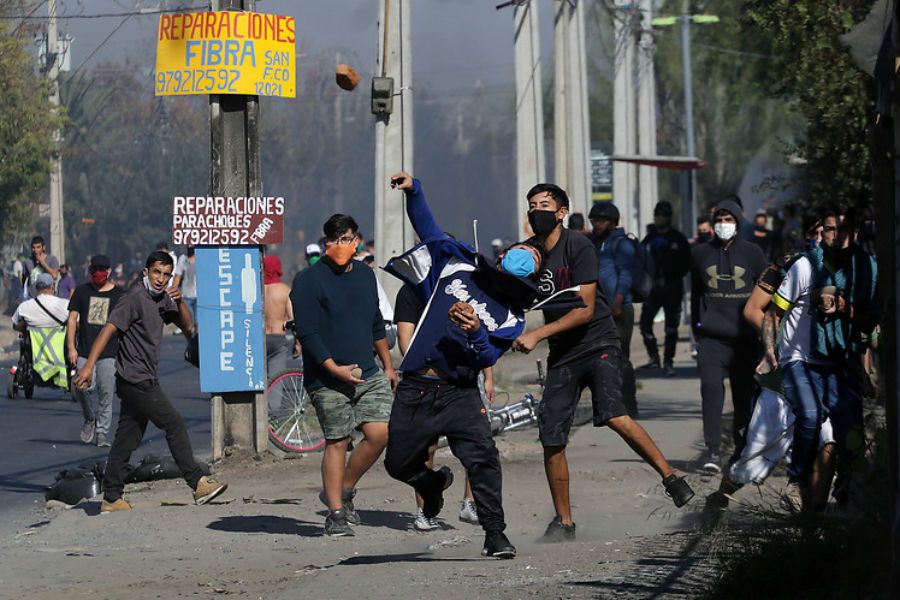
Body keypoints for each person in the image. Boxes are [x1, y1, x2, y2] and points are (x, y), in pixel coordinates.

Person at [511, 183, 694, 542]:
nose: (536, 211)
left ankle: (671, 476)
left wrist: (537, 334)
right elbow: (509, 289)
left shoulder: (580, 246)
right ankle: (564, 522)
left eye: (544, 205)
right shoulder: (529, 254)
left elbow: (584, 308)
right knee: (551, 435)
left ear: (562, 212)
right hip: (563, 354)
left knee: (614, 414)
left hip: (597, 344)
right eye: (531, 205)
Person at [384, 172, 534, 558]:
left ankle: (495, 534)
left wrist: (475, 331)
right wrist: (415, 189)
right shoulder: (455, 263)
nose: (525, 256)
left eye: (534, 258)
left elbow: (487, 358)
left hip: (459, 392)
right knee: (397, 464)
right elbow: (427, 228)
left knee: (484, 459)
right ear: (502, 255)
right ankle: (431, 485)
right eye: (523, 250)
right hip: (416, 385)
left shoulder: (511, 317)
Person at [73, 251, 228, 512]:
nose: (161, 279)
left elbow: (188, 326)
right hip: (136, 379)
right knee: (174, 423)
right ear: (146, 272)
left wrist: (179, 303)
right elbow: (109, 328)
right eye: (156, 272)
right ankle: (198, 483)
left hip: (142, 376)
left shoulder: (162, 299)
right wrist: (88, 366)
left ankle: (111, 497)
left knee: (126, 439)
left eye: (166, 274)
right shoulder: (134, 299)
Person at [764, 207, 877, 510]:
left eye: (842, 229)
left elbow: (869, 324)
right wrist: (770, 350)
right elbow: (772, 313)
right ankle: (797, 481)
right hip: (799, 359)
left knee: (850, 433)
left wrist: (844, 308)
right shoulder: (804, 267)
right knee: (811, 418)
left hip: (840, 361)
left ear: (854, 232)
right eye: (829, 229)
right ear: (820, 233)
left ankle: (848, 494)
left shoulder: (865, 268)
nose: (836, 236)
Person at [291, 214, 397, 537]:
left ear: (356, 241)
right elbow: (307, 333)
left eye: (345, 239)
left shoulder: (365, 275)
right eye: (333, 240)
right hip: (327, 377)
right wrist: (333, 367)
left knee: (381, 433)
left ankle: (344, 488)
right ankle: (335, 513)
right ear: (326, 243)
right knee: (337, 440)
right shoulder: (309, 280)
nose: (339, 245)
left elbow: (376, 323)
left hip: (367, 370)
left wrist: (388, 365)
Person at [393, 281, 493, 532]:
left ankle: (471, 502)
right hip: (425, 382)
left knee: (476, 444)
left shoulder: (466, 289)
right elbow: (405, 341)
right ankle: (426, 510)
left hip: (464, 381)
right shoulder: (411, 291)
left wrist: (488, 376)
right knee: (425, 449)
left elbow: (482, 336)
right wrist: (420, 372)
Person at [691, 199, 768, 474]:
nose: (724, 224)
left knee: (743, 396)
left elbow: (765, 295)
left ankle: (741, 449)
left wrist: (765, 338)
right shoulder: (699, 254)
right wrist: (696, 332)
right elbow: (696, 295)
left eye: (729, 219)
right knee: (711, 391)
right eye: (720, 219)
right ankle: (712, 451)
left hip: (745, 340)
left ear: (738, 222)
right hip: (711, 340)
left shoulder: (753, 253)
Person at [66, 254, 125, 447]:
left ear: (108, 271)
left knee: (106, 392)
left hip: (109, 353)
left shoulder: (119, 295)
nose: (98, 273)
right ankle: (90, 418)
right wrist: (71, 348)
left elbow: (126, 323)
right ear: (90, 271)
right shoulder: (82, 292)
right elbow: (72, 320)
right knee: (81, 387)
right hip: (84, 351)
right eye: (95, 269)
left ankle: (101, 434)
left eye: (102, 269)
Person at [588, 201, 637, 417]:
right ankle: (610, 403)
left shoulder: (621, 243)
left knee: (621, 358)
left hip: (619, 309)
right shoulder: (598, 243)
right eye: (594, 221)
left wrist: (617, 302)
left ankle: (629, 404)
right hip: (601, 310)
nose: (596, 225)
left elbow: (626, 275)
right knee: (603, 358)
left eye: (600, 221)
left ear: (612, 222)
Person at [639, 201, 691, 376]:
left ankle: (668, 361)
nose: (659, 218)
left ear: (669, 217)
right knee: (645, 325)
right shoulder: (649, 239)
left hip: (672, 289)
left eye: (663, 215)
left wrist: (673, 274)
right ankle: (654, 357)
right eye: (657, 215)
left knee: (671, 328)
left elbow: (686, 264)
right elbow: (640, 260)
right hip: (652, 290)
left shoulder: (678, 239)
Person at [12, 274, 70, 391]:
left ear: (36, 288)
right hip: (58, 350)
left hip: (35, 350)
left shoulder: (25, 306)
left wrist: (26, 327)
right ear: (52, 287)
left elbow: (15, 324)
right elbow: (76, 323)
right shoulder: (65, 304)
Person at [263, 254, 293, 412]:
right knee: (275, 380)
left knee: (258, 380)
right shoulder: (285, 290)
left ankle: (257, 414)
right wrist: (299, 343)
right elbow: (293, 319)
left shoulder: (256, 289)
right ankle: (272, 416)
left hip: (259, 339)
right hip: (278, 338)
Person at [172, 244, 197, 329]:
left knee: (198, 323)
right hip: (187, 295)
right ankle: (191, 341)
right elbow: (177, 276)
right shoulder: (183, 259)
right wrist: (173, 292)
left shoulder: (201, 256)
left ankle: (197, 341)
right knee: (189, 323)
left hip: (200, 296)